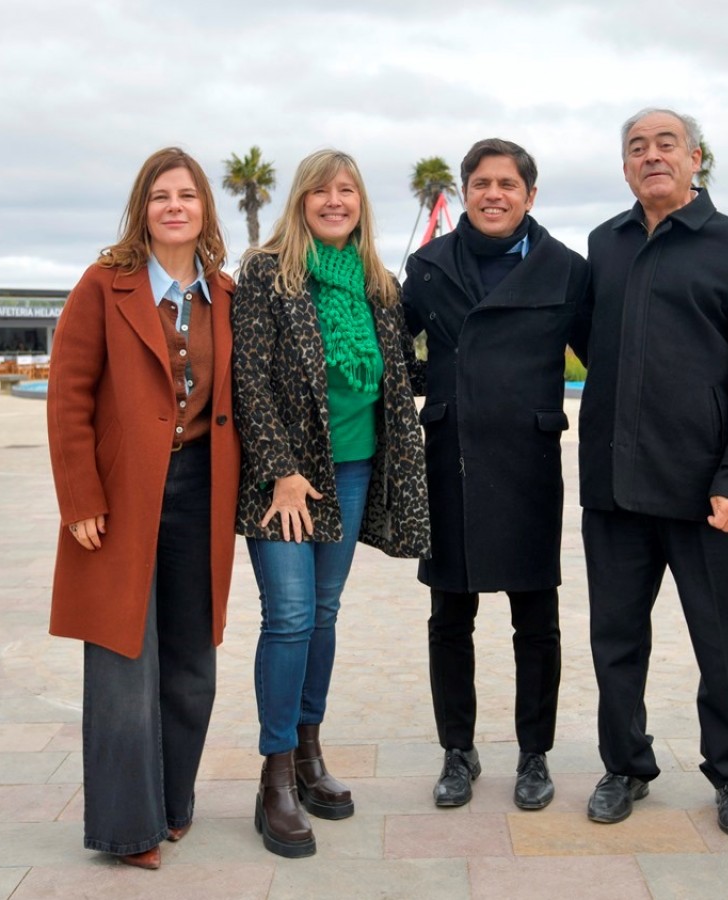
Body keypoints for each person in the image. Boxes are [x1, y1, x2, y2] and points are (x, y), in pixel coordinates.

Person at [574, 108, 728, 837]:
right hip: (613, 488)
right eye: (637, 147)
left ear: (696, 158)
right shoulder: (605, 243)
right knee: (616, 640)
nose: (651, 156)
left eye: (666, 145)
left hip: (707, 494)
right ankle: (624, 765)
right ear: (624, 165)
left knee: (724, 643)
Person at [45, 147, 240, 871]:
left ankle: (174, 802)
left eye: (187, 194)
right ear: (142, 209)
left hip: (201, 494)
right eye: (160, 195)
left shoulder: (225, 292)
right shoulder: (104, 285)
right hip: (123, 497)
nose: (174, 206)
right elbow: (68, 393)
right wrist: (80, 497)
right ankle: (130, 830)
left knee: (193, 658)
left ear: (203, 210)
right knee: (124, 661)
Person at [233, 148, 430, 858]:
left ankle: (310, 750)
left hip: (352, 469)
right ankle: (276, 774)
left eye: (346, 189)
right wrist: (281, 470)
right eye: (321, 190)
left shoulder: (379, 282)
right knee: (288, 615)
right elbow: (247, 377)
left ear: (361, 202)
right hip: (285, 478)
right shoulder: (266, 273)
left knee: (323, 613)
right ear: (300, 200)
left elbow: (397, 369)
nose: (334, 200)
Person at [401, 138, 589, 811]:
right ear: (466, 190)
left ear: (530, 195)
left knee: (536, 620)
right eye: (481, 183)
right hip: (451, 460)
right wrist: (440, 391)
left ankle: (533, 754)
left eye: (508, 184)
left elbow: (610, 361)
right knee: (449, 617)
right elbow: (394, 358)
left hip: (530, 465)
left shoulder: (566, 269)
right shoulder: (426, 268)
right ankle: (459, 750)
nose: (494, 195)